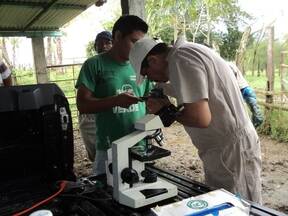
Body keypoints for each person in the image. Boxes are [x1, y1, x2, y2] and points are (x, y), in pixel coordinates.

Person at [129, 37, 262, 203]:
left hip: (229, 150)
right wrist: (165, 89)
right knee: (236, 204)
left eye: (147, 74)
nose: (151, 79)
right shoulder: (188, 52)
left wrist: (165, 110)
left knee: (237, 207)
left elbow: (200, 118)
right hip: (228, 147)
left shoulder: (180, 59)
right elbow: (205, 92)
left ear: (153, 60)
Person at [76, 15, 151, 176]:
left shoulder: (141, 66)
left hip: (140, 146)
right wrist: (115, 101)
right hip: (108, 147)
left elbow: (150, 100)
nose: (138, 48)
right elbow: (82, 104)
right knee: (105, 195)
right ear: (117, 37)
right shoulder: (94, 64)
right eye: (134, 42)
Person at [78, 31, 113, 162]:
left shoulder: (122, 64)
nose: (103, 46)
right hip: (91, 115)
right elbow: (83, 99)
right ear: (95, 47)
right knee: (96, 152)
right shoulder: (92, 64)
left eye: (107, 43)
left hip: (110, 112)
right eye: (99, 44)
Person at [227, 62, 263, 128]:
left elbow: (233, 74)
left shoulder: (228, 65)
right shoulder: (229, 64)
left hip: (244, 89)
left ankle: (251, 130)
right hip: (243, 89)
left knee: (258, 117)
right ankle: (250, 130)